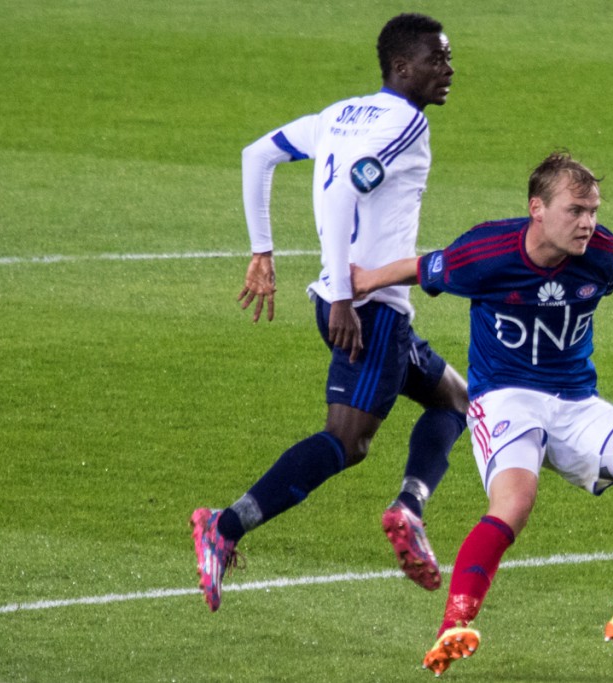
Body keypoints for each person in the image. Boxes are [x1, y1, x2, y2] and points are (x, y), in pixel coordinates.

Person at [351, 152, 613, 675]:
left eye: (594, 210)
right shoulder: (487, 252)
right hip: (505, 399)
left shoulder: (604, 255)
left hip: (577, 402)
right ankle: (454, 626)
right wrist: (364, 282)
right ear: (537, 208)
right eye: (575, 210)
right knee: (515, 500)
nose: (588, 223)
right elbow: (426, 268)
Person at [190, 13, 469, 612]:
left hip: (350, 303)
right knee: (348, 440)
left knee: (453, 398)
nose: (449, 70)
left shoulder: (339, 115)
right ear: (402, 67)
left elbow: (256, 154)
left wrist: (263, 250)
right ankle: (225, 526)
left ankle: (410, 509)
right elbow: (345, 192)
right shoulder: (406, 124)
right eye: (437, 59)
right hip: (368, 311)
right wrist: (345, 294)